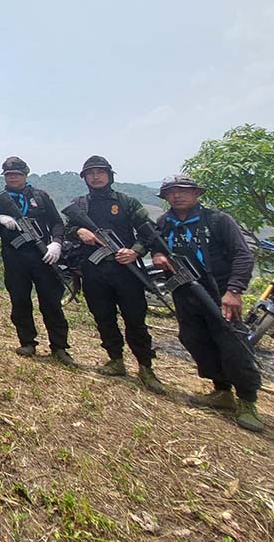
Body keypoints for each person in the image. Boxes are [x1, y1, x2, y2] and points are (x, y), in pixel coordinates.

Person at [151, 174, 264, 431]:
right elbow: (153, 244)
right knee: (194, 339)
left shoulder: (217, 220)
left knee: (232, 343)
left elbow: (243, 255)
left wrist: (234, 290)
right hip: (184, 293)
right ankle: (221, 391)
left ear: (196, 193)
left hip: (219, 293)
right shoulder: (164, 222)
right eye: (171, 192)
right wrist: (157, 254)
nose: (177, 195)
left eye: (183, 190)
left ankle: (247, 401)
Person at [65, 155, 165, 393]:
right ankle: (115, 359)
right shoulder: (79, 205)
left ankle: (145, 367)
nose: (95, 177)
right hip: (94, 269)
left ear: (109, 176)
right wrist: (79, 231)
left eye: (100, 172)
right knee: (103, 316)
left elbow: (149, 233)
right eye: (91, 174)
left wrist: (135, 251)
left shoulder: (126, 202)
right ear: (85, 178)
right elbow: (65, 229)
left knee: (135, 320)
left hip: (125, 270)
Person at [0, 156, 74, 366]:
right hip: (14, 258)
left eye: (17, 174)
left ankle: (59, 346)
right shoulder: (0, 200)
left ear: (25, 175)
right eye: (9, 175)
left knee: (51, 302)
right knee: (20, 300)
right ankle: (27, 342)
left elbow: (57, 223)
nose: (13, 178)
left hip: (43, 256)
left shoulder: (41, 197)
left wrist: (57, 243)